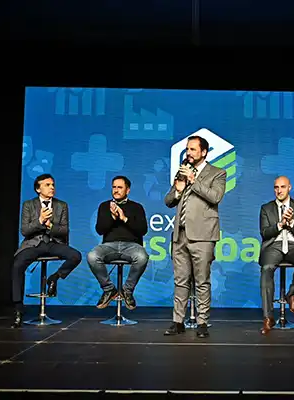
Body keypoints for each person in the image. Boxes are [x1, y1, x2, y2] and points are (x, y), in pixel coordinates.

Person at [163, 135, 227, 338]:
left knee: (202, 281)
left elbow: (215, 197)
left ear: (204, 152)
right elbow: (168, 201)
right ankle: (177, 322)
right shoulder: (182, 171)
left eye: (192, 149)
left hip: (203, 235)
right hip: (180, 234)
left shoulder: (217, 173)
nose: (188, 153)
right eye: (187, 149)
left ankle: (202, 323)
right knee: (180, 280)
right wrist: (177, 191)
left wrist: (193, 180)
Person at [11, 173, 82, 328]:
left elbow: (64, 230)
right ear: (38, 189)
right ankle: (18, 309)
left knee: (75, 256)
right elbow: (25, 230)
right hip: (33, 244)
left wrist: (50, 226)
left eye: (53, 185)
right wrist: (40, 221)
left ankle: (54, 278)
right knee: (17, 265)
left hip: (53, 243)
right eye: (47, 185)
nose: (52, 188)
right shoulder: (29, 205)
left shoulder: (61, 205)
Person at [258, 176, 294, 335]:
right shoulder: (266, 208)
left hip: (293, 246)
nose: (279, 190)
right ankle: (268, 317)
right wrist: (280, 224)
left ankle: (292, 294)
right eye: (276, 187)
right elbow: (264, 233)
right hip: (273, 246)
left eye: (282, 187)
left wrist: (291, 223)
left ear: (289, 188)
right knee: (267, 268)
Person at [87, 176, 149, 310]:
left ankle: (127, 291)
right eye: (114, 187)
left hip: (132, 246)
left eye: (120, 187)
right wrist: (112, 217)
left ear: (128, 190)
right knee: (92, 256)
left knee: (142, 257)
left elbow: (143, 230)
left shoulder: (137, 207)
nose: (116, 190)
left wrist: (124, 218)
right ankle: (109, 289)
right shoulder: (104, 206)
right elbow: (100, 230)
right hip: (109, 245)